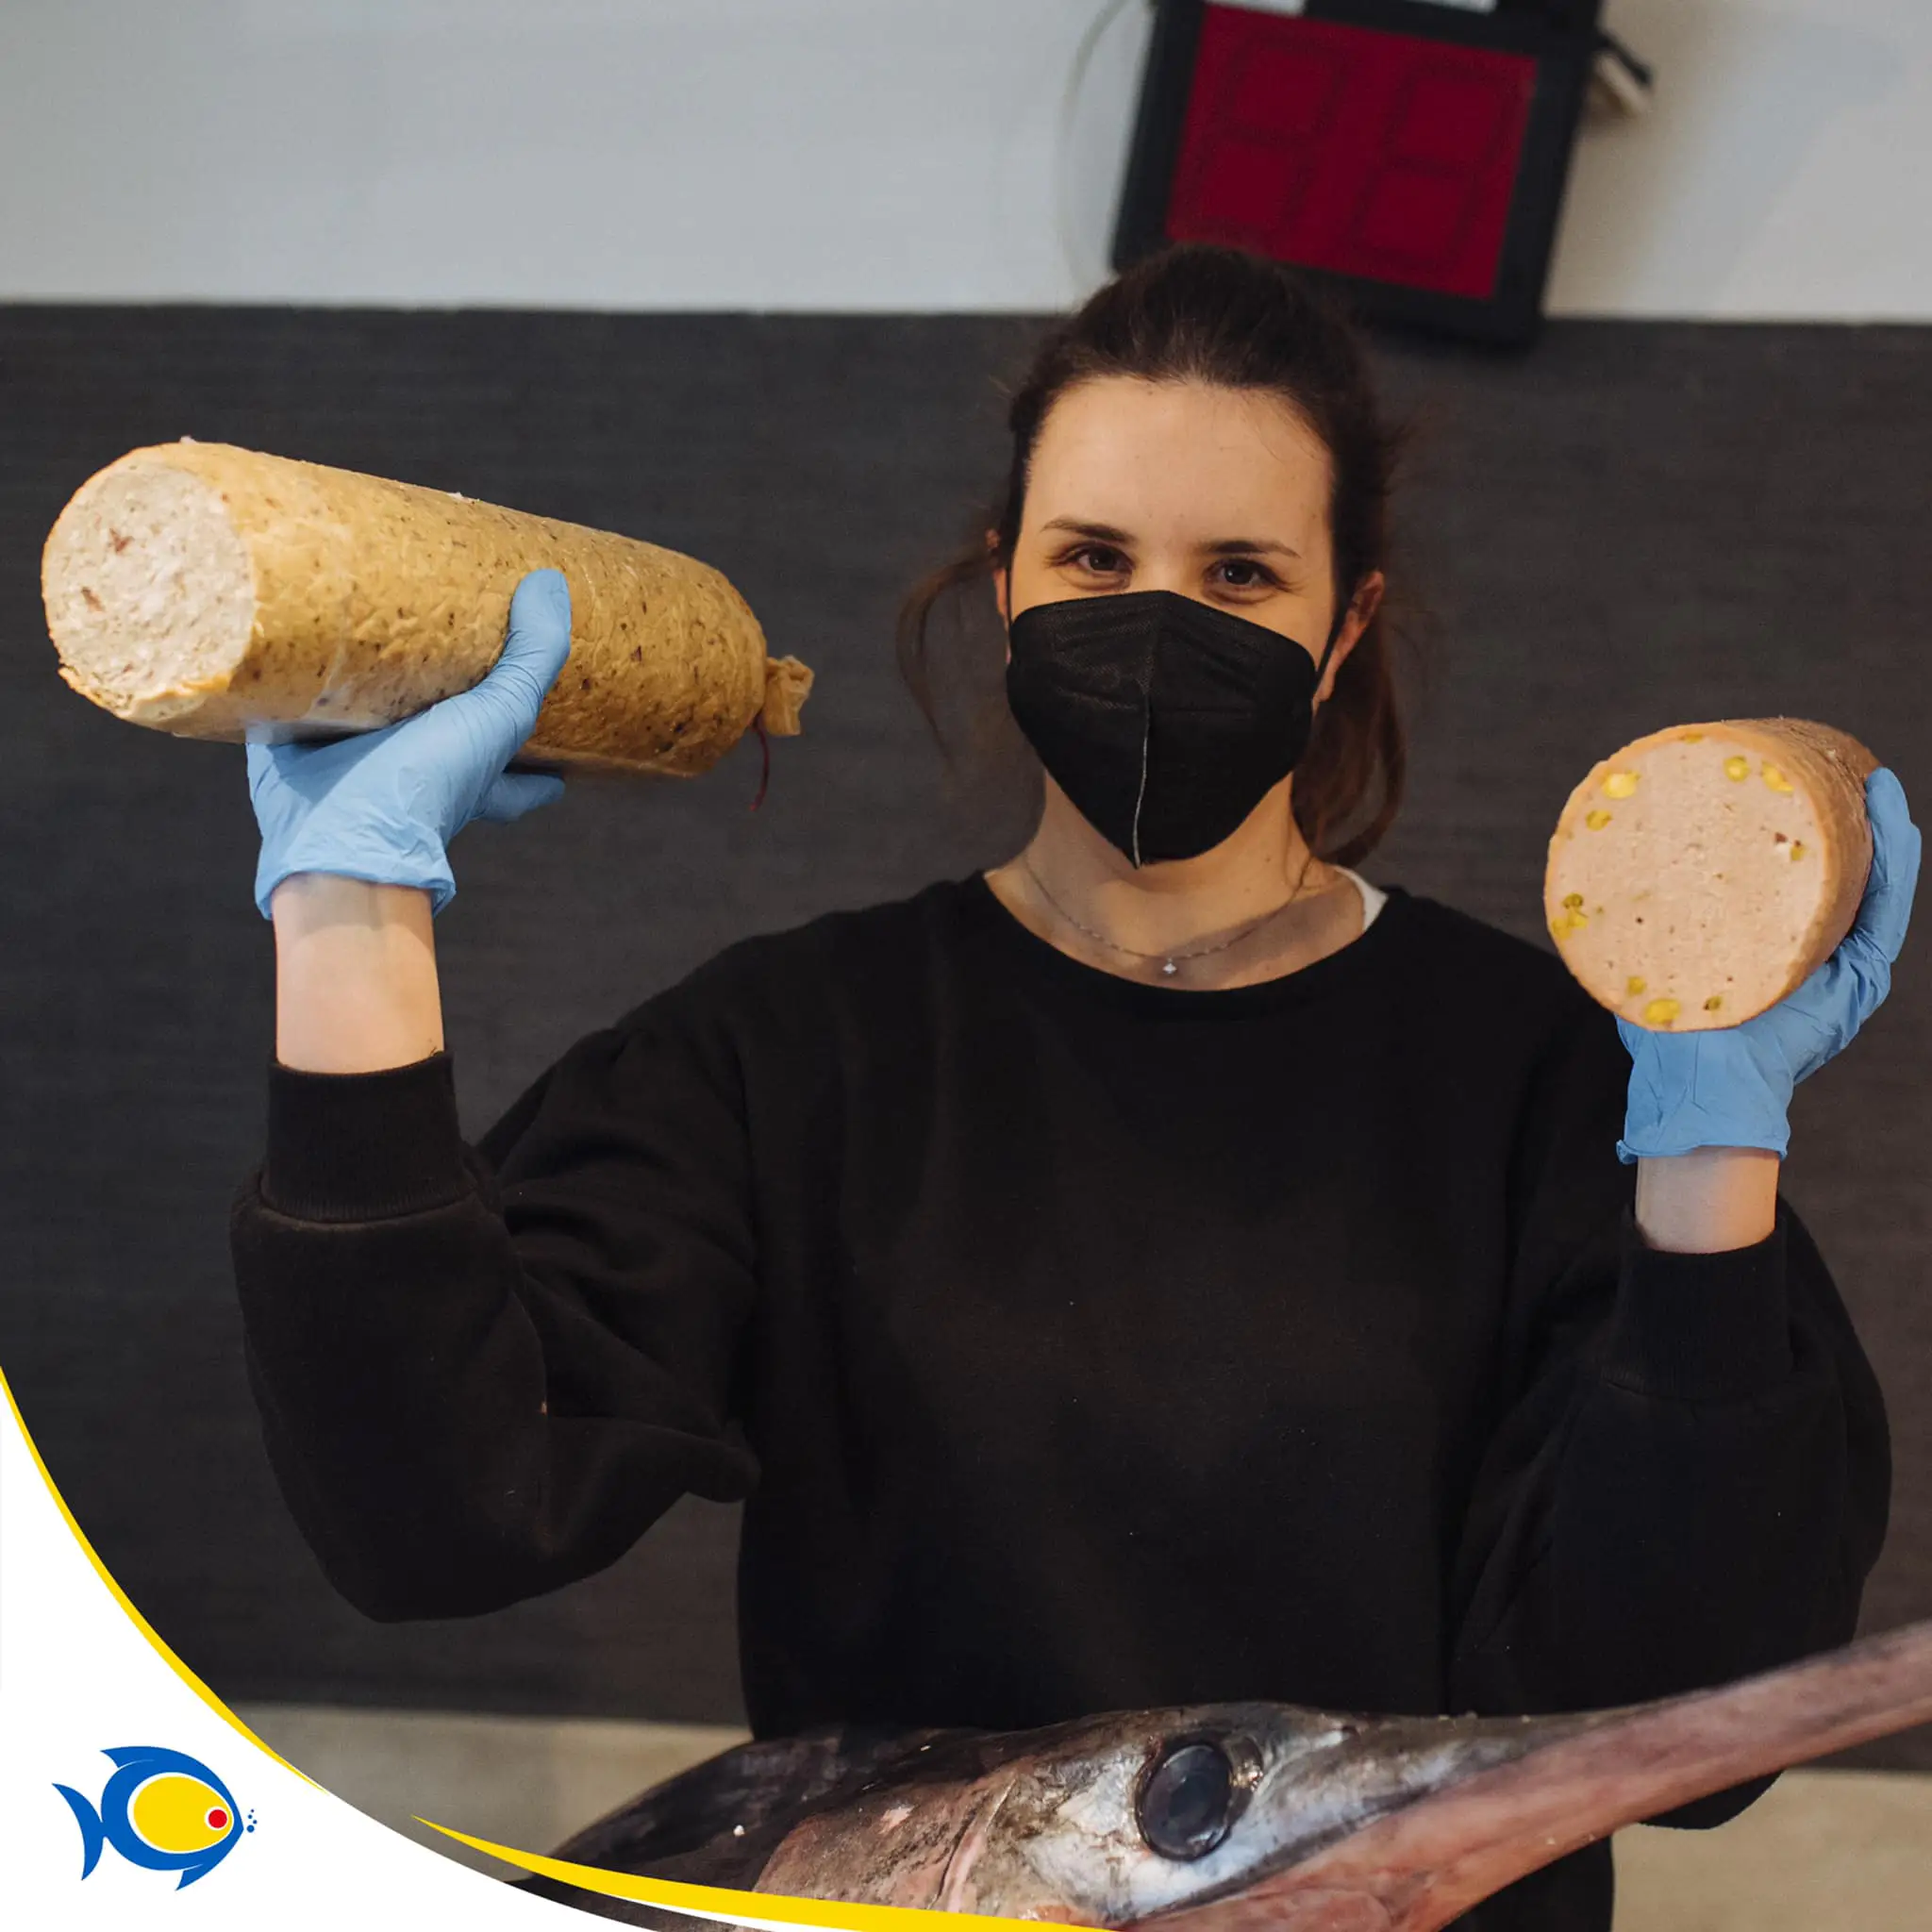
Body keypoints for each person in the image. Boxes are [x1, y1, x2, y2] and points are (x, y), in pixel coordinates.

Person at [230, 246, 1915, 1931]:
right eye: (1096, 558)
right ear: (1006, 583)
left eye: (1241, 572)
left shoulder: (1540, 1074)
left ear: (1345, 626)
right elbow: (435, 1515)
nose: (1156, 620)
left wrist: (1712, 1156)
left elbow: (1675, 1710)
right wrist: (347, 905)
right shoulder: (784, 1053)